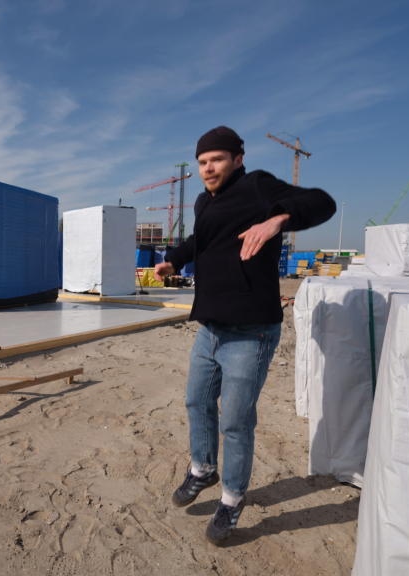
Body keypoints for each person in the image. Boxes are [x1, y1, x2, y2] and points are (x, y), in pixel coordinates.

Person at [154, 126, 336, 544]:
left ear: (238, 158)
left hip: (251, 331)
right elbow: (200, 240)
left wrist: (277, 220)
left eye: (216, 159)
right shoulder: (203, 200)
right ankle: (203, 468)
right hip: (211, 326)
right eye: (202, 162)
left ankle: (233, 499)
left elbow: (320, 202)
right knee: (196, 401)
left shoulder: (257, 186)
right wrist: (172, 260)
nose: (208, 168)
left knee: (236, 422)